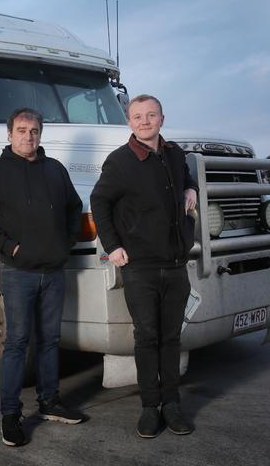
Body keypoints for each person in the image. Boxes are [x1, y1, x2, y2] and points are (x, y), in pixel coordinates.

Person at [0, 107, 85, 447]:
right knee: (18, 343)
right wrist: (11, 248)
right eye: (21, 130)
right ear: (9, 134)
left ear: (40, 134)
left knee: (50, 341)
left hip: (54, 271)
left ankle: (50, 402)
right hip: (18, 272)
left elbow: (74, 209)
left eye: (34, 130)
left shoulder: (55, 170)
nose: (28, 136)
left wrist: (65, 243)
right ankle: (10, 414)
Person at [90, 94, 198, 438]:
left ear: (162, 119)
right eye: (138, 116)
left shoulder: (175, 154)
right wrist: (113, 246)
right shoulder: (120, 161)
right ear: (130, 123)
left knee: (171, 337)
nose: (145, 121)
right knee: (147, 338)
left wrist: (191, 188)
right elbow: (99, 201)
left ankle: (173, 405)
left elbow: (184, 179)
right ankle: (150, 408)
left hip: (176, 263)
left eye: (151, 115)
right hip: (141, 268)